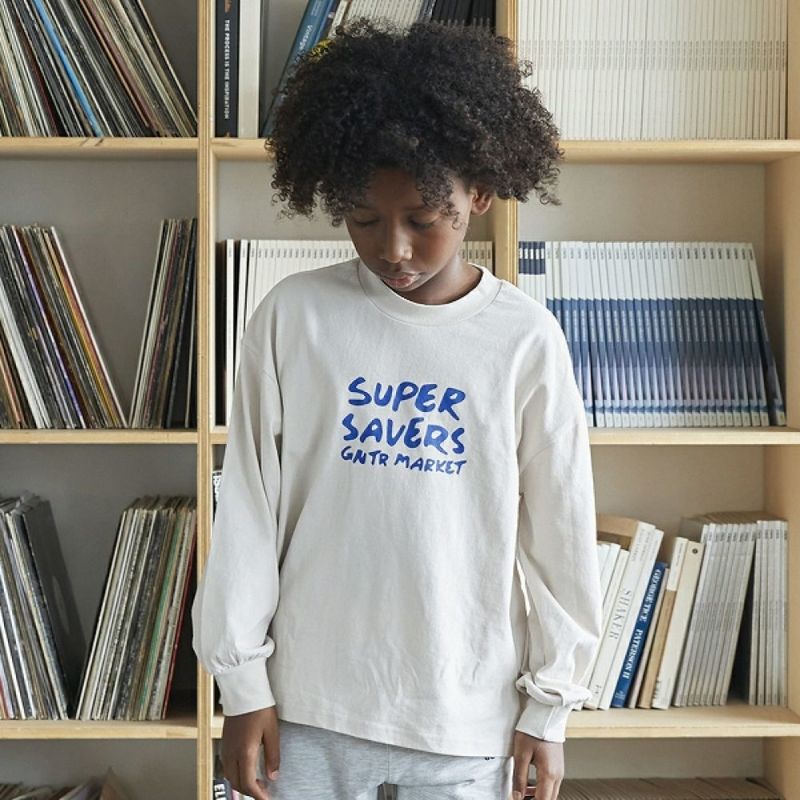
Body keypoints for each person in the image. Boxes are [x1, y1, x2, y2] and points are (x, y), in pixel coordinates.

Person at [191, 17, 603, 800]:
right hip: (306, 711)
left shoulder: (524, 340)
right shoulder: (293, 318)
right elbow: (248, 511)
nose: (394, 249)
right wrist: (241, 688)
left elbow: (560, 536)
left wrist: (549, 710)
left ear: (479, 193)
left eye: (423, 220)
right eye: (364, 219)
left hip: (462, 720)